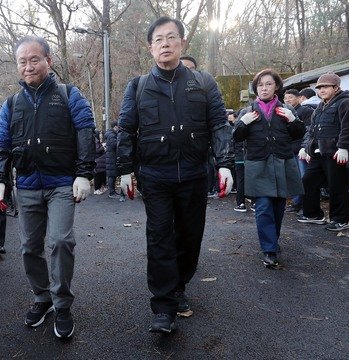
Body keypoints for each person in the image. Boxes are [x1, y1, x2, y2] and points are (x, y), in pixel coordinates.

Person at [117, 16, 234, 334]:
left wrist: (225, 163)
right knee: (159, 238)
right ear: (150, 48)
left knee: (189, 235)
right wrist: (125, 169)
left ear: (183, 43)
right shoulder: (138, 86)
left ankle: (179, 284)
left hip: (195, 174)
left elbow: (219, 125)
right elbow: (126, 130)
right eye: (158, 39)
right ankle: (164, 305)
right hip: (155, 176)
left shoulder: (204, 82)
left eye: (171, 37)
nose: (165, 43)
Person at [0, 35, 95, 339]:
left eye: (34, 59)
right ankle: (42, 297)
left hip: (62, 183)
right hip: (26, 185)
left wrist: (84, 174)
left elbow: (86, 132)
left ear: (48, 61)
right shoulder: (12, 103)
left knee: (61, 242)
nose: (28, 66)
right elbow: (2, 143)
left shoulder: (68, 94)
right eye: (22, 61)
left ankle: (63, 304)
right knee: (29, 247)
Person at [233, 69, 305, 268]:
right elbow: (236, 136)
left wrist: (292, 119)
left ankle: (272, 240)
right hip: (258, 163)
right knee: (263, 206)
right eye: (260, 85)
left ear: (277, 87)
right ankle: (269, 250)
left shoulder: (286, 109)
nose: (264, 88)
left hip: (281, 161)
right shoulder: (248, 111)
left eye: (268, 84)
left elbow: (299, 133)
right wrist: (242, 124)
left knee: (278, 206)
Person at [297, 73, 349, 231]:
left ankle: (340, 220)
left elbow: (347, 128)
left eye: (325, 86)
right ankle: (314, 214)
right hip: (318, 153)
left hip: (335, 153)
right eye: (319, 87)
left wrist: (343, 147)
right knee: (308, 181)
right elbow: (313, 130)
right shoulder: (320, 106)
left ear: (336, 87)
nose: (321, 90)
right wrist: (307, 147)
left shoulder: (347, 103)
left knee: (337, 186)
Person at [284, 88, 316, 213]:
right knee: (293, 178)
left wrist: (305, 147)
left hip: (301, 150)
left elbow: (308, 130)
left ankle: (305, 205)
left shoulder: (306, 110)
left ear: (299, 97)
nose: (287, 100)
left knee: (304, 178)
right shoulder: (283, 111)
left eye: (290, 97)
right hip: (289, 150)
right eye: (285, 98)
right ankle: (296, 203)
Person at [104, 121, 123, 200]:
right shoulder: (112, 135)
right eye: (118, 127)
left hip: (111, 158)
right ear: (115, 127)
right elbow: (114, 145)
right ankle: (111, 193)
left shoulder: (110, 134)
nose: (118, 128)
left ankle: (112, 192)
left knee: (112, 175)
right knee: (112, 176)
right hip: (112, 158)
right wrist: (120, 141)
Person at [93, 129, 107, 194]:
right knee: (97, 175)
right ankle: (96, 189)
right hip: (97, 160)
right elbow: (97, 150)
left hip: (100, 160)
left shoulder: (97, 140)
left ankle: (100, 188)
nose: (101, 135)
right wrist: (103, 147)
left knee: (100, 174)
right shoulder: (95, 141)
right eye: (100, 134)